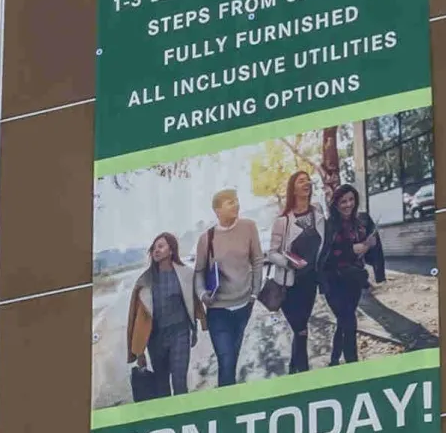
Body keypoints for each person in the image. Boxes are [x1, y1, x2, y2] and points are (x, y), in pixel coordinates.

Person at [192, 188, 265, 385]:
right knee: (226, 360)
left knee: (232, 359)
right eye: (230, 202)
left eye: (237, 200)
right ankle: (227, 408)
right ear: (217, 210)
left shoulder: (249, 227)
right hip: (218, 310)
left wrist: (254, 294)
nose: (237, 205)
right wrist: (202, 294)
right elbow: (198, 272)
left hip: (244, 306)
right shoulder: (206, 239)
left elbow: (258, 260)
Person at [314, 181, 387, 368]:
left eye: (351, 200)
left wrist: (375, 265)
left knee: (344, 321)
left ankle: (334, 358)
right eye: (343, 201)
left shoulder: (362, 221)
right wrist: (352, 249)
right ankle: (353, 366)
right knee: (349, 322)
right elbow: (325, 256)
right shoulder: (328, 225)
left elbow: (374, 248)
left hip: (353, 280)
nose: (348, 205)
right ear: (336, 204)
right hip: (333, 281)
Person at [123, 228, 200, 403]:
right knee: (162, 386)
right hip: (155, 338)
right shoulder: (144, 281)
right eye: (154, 248)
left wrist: (195, 328)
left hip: (179, 334)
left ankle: (183, 419)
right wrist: (138, 351)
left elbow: (193, 303)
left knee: (180, 383)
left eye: (161, 246)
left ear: (171, 250)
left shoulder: (186, 274)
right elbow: (135, 319)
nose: (156, 250)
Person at [268, 169, 325, 374]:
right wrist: (289, 263)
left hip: (310, 283)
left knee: (301, 331)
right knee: (300, 330)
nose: (307, 183)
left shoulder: (317, 213)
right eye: (301, 181)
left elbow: (322, 245)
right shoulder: (283, 221)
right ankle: (303, 371)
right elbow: (272, 253)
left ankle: (294, 370)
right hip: (289, 286)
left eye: (308, 180)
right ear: (293, 188)